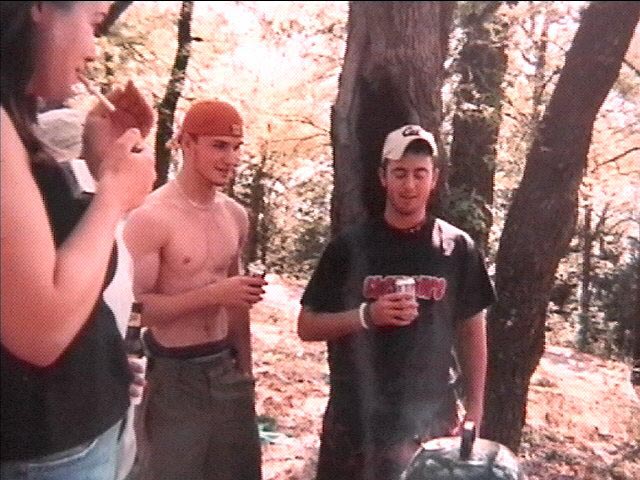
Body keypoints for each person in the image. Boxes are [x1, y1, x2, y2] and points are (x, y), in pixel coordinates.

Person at [0, 2, 156, 480]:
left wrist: (97, 168)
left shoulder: (16, 118)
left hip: (78, 431)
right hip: (45, 451)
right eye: (93, 21)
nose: (93, 48)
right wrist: (114, 195)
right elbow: (39, 329)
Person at [297, 125, 496, 480]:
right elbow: (307, 326)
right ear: (383, 176)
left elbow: (471, 330)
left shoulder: (457, 248)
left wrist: (476, 407)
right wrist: (366, 316)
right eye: (400, 173)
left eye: (420, 174)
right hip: (357, 419)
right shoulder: (350, 247)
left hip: (430, 420)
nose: (409, 185)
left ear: (434, 178)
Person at [124, 99, 267, 480]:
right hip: (172, 375)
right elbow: (133, 311)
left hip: (225, 368)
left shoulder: (235, 215)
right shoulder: (151, 217)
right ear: (187, 143)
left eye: (236, 147)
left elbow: (238, 302)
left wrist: (245, 370)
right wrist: (213, 295)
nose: (231, 159)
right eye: (219, 146)